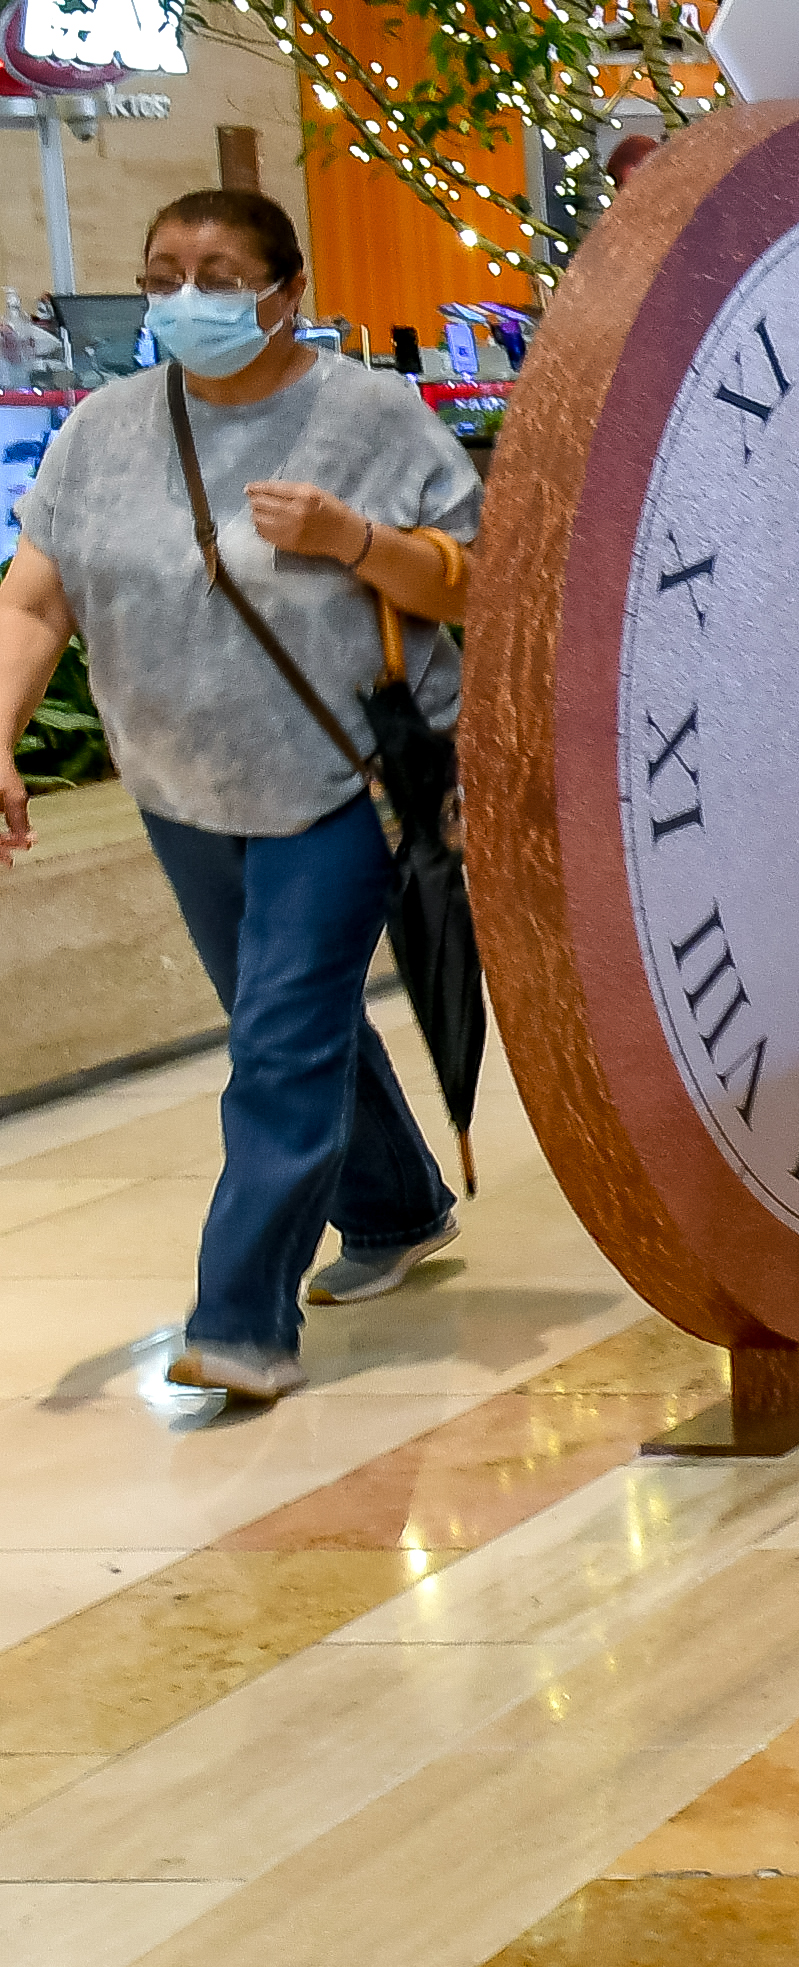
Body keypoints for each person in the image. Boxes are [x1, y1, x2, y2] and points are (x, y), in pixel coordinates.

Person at [0, 191, 477, 1405]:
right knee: (288, 1018)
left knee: (279, 1037)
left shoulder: (370, 415)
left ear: (286, 295)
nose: (185, 298)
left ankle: (240, 1319)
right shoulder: (102, 432)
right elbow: (34, 601)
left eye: (217, 273)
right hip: (179, 781)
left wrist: (354, 538)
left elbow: (466, 585)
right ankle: (395, 1204)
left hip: (342, 778)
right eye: (164, 274)